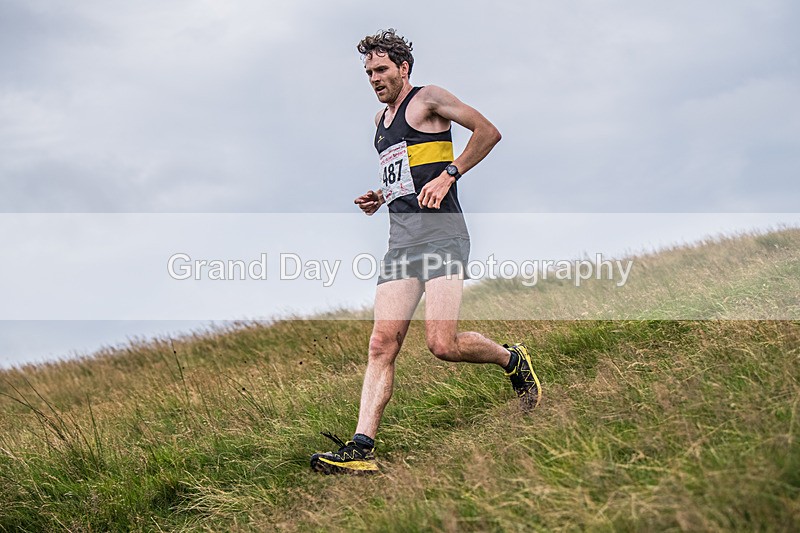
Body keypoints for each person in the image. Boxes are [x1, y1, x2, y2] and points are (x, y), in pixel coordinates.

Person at [310, 29, 541, 475]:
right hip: (401, 241)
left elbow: (488, 132)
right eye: (368, 72)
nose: (374, 79)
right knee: (381, 343)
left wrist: (450, 174)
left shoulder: (429, 98)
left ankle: (512, 359)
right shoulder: (379, 124)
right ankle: (361, 449)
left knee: (442, 344)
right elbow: (410, 173)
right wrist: (382, 195)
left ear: (403, 68)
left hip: (442, 235)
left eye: (381, 70)